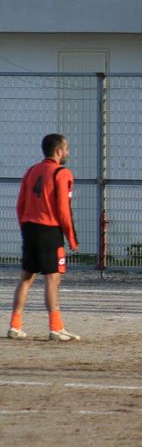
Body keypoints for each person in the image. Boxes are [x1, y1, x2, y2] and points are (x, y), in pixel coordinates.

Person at [7, 133, 80, 342]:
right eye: (66, 149)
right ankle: (56, 328)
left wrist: (25, 227)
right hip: (49, 230)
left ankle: (15, 325)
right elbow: (63, 210)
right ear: (58, 151)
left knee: (26, 277)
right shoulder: (62, 173)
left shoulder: (31, 171)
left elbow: (20, 204)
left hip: (29, 227)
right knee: (52, 278)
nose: (68, 152)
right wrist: (71, 238)